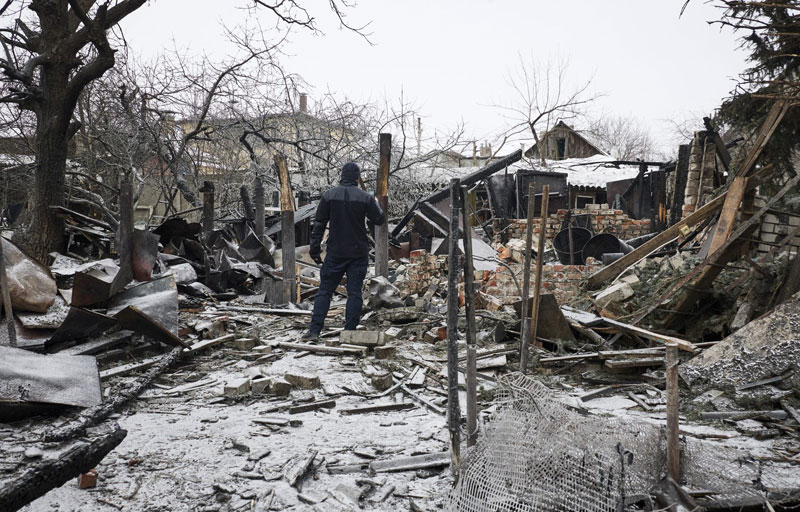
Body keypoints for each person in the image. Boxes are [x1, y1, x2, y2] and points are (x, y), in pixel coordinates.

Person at [301, 162, 385, 341]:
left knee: (325, 291)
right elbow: (379, 220)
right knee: (354, 293)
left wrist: (315, 250)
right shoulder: (365, 197)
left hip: (335, 252)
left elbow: (319, 224)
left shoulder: (329, 195)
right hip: (358, 252)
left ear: (342, 176)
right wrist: (376, 203)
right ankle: (350, 332)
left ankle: (315, 331)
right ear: (357, 178)